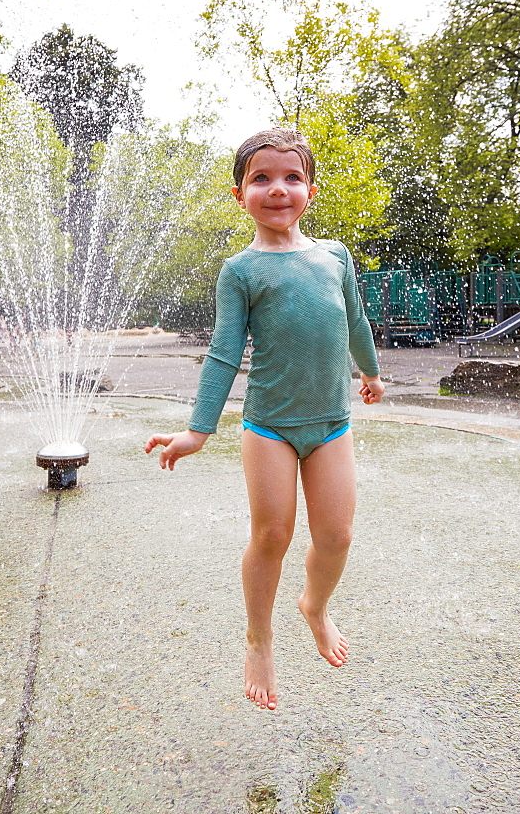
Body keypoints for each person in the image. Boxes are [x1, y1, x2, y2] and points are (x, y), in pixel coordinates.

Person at [145, 128, 384, 711]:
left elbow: (354, 321)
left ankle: (315, 607)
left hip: (331, 422)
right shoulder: (241, 271)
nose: (278, 189)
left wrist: (371, 373)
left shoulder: (335, 257)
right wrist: (199, 429)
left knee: (336, 535)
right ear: (239, 194)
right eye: (262, 178)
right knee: (272, 535)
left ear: (311, 189)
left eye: (291, 177)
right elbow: (225, 351)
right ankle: (259, 638)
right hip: (269, 426)